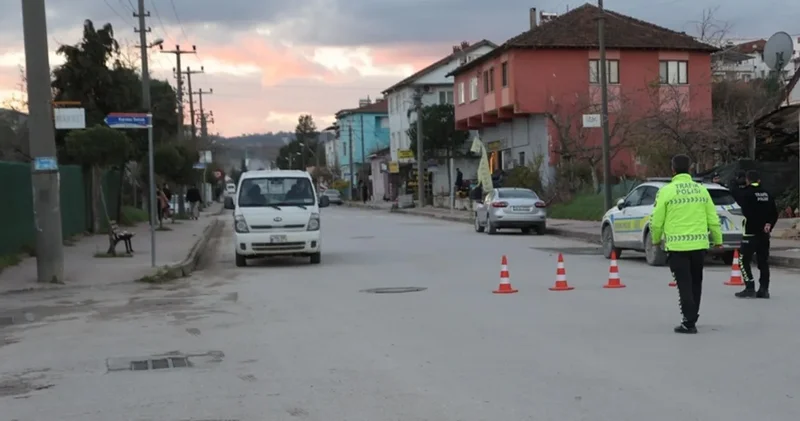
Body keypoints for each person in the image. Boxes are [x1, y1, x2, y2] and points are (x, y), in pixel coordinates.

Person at [650, 154, 723, 334]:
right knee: (696, 282)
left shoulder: (666, 191)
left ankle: (688, 322)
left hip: (677, 247)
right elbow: (713, 218)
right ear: (690, 169)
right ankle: (693, 315)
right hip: (699, 246)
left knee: (684, 284)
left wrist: (655, 239)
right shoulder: (701, 190)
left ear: (673, 169)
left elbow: (656, 220)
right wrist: (718, 240)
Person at [734, 170, 779, 299]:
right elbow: (774, 213)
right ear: (759, 180)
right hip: (764, 234)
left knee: (743, 261)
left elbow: (746, 212)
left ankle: (749, 286)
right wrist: (769, 224)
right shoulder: (767, 194)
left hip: (750, 233)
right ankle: (764, 289)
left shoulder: (746, 194)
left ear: (747, 180)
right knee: (763, 262)